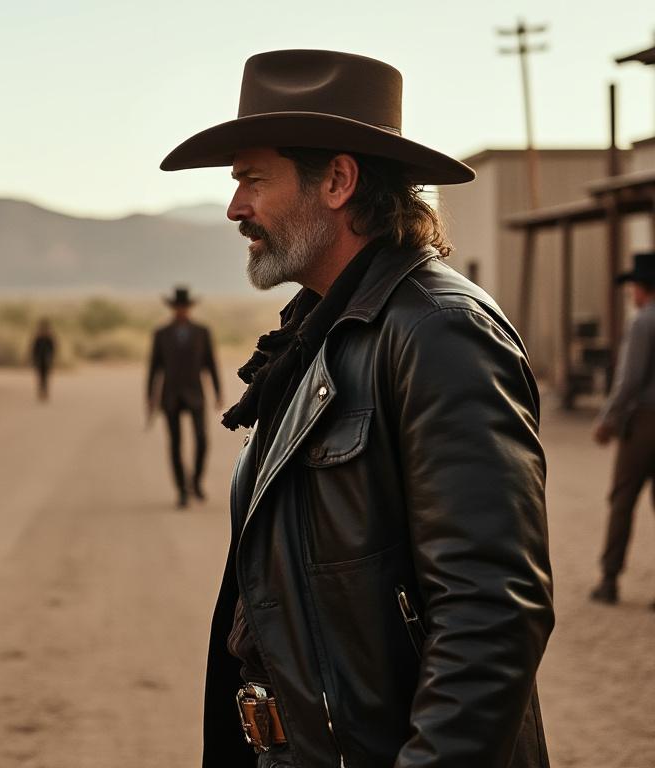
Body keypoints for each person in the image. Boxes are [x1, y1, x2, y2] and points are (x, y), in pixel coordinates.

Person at [160, 49, 552, 767]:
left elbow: (490, 615)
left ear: (337, 180)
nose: (235, 207)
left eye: (252, 178)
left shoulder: (439, 332)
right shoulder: (315, 335)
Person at [591, 250, 655, 606]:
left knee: (622, 499)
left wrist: (608, 420)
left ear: (642, 288)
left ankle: (609, 579)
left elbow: (629, 380)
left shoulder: (644, 321)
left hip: (646, 421)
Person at [146, 287, 222, 507]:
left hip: (196, 394)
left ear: (189, 308)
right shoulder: (161, 334)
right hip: (170, 396)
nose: (181, 311)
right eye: (178, 307)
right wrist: (150, 397)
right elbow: (154, 368)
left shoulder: (202, 332)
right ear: (173, 308)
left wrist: (217, 392)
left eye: (184, 307)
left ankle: (196, 481)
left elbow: (211, 363)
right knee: (175, 444)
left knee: (201, 439)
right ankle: (181, 490)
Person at [31, 318, 57, 401]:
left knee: (45, 377)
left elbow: (53, 350)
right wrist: (34, 359)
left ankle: (45, 392)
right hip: (39, 360)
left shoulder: (49, 338)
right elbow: (34, 350)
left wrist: (51, 359)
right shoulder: (38, 338)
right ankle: (41, 392)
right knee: (40, 377)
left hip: (47, 361)